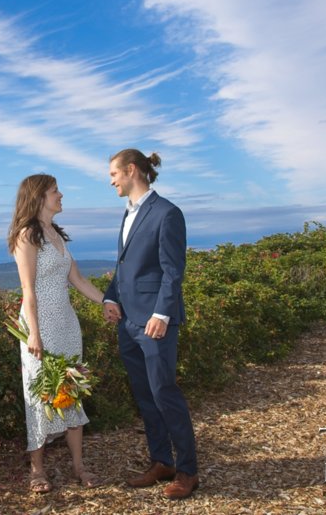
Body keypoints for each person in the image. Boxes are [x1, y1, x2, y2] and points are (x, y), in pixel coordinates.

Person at [101, 149, 199, 499]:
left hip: (154, 322)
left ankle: (187, 471)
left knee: (164, 393)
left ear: (131, 171)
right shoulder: (127, 214)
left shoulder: (167, 213)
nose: (110, 180)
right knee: (145, 396)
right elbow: (125, 266)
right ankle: (162, 461)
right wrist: (111, 297)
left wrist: (162, 314)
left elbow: (173, 271)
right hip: (128, 322)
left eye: (113, 173)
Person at [8, 173, 106, 494]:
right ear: (38, 197)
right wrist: (33, 334)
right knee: (40, 393)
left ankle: (79, 466)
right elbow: (28, 291)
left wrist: (108, 302)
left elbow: (77, 279)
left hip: (66, 324)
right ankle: (37, 470)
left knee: (72, 390)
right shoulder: (27, 236)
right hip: (40, 325)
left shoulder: (56, 234)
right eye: (55, 191)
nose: (61, 195)